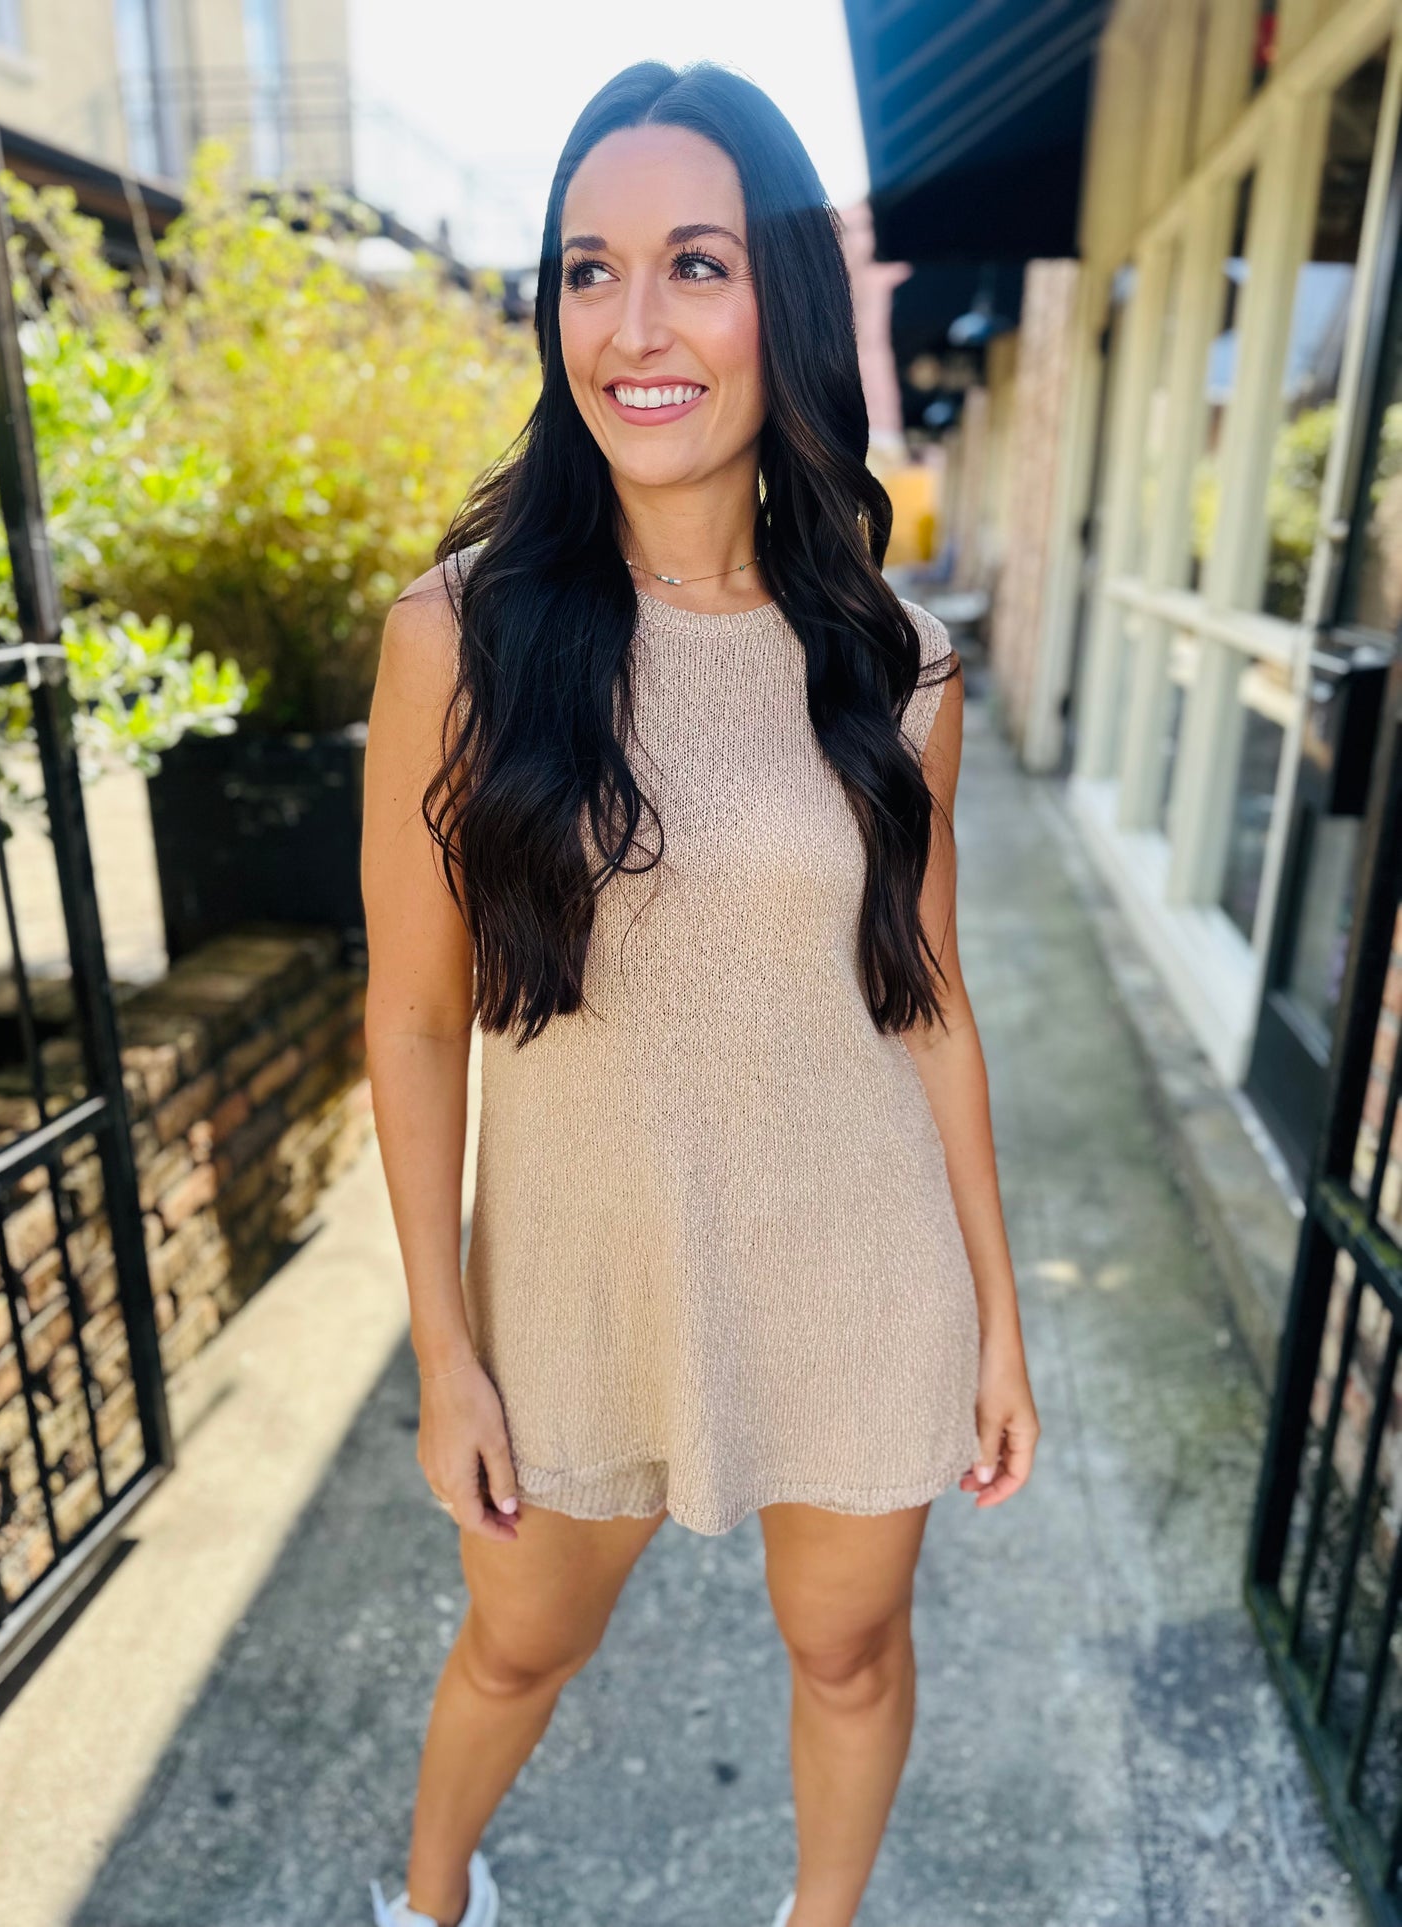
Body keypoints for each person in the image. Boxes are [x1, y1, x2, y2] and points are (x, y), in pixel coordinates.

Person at [362, 58, 1039, 1927]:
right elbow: (411, 1020)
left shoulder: (896, 662)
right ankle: (427, 1904)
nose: (632, 326)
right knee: (517, 1646)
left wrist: (995, 1317)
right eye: (587, 270)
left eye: (695, 265)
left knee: (849, 1653)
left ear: (781, 305)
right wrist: (443, 1349)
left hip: (855, 1258)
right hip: (574, 1279)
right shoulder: (459, 633)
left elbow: (924, 998)